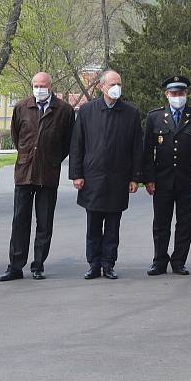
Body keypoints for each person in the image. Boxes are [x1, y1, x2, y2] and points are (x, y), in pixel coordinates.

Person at [0, 72, 74, 281]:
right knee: (20, 221)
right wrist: (28, 155)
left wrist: (52, 158)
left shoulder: (64, 110)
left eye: (43, 85)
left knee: (44, 222)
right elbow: (16, 136)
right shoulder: (22, 107)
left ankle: (38, 264)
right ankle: (15, 266)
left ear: (51, 86)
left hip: (48, 173)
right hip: (24, 173)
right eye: (36, 85)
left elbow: (67, 142)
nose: (39, 89)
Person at [69, 70, 142, 280]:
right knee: (93, 226)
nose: (116, 87)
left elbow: (137, 147)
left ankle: (108, 263)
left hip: (119, 179)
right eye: (112, 84)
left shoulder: (131, 113)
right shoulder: (86, 111)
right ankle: (93, 264)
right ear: (101, 87)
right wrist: (76, 174)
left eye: (118, 83)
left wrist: (135, 177)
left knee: (113, 226)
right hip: (92, 178)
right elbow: (77, 145)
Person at [143, 75, 191, 276]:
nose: (177, 96)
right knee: (161, 222)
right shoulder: (155, 117)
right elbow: (147, 151)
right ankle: (159, 261)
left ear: (186, 94)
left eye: (181, 93)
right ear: (166, 94)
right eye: (173, 93)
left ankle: (179, 260)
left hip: (188, 180)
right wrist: (148, 179)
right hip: (162, 180)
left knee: (185, 223)